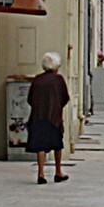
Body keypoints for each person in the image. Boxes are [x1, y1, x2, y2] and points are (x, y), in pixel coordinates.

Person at [26, 52, 70, 184]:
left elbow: (30, 98)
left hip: (38, 117)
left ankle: (41, 173)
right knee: (57, 144)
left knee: (40, 145)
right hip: (53, 118)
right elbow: (65, 98)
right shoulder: (58, 80)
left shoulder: (37, 79)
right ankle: (58, 172)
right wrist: (57, 107)